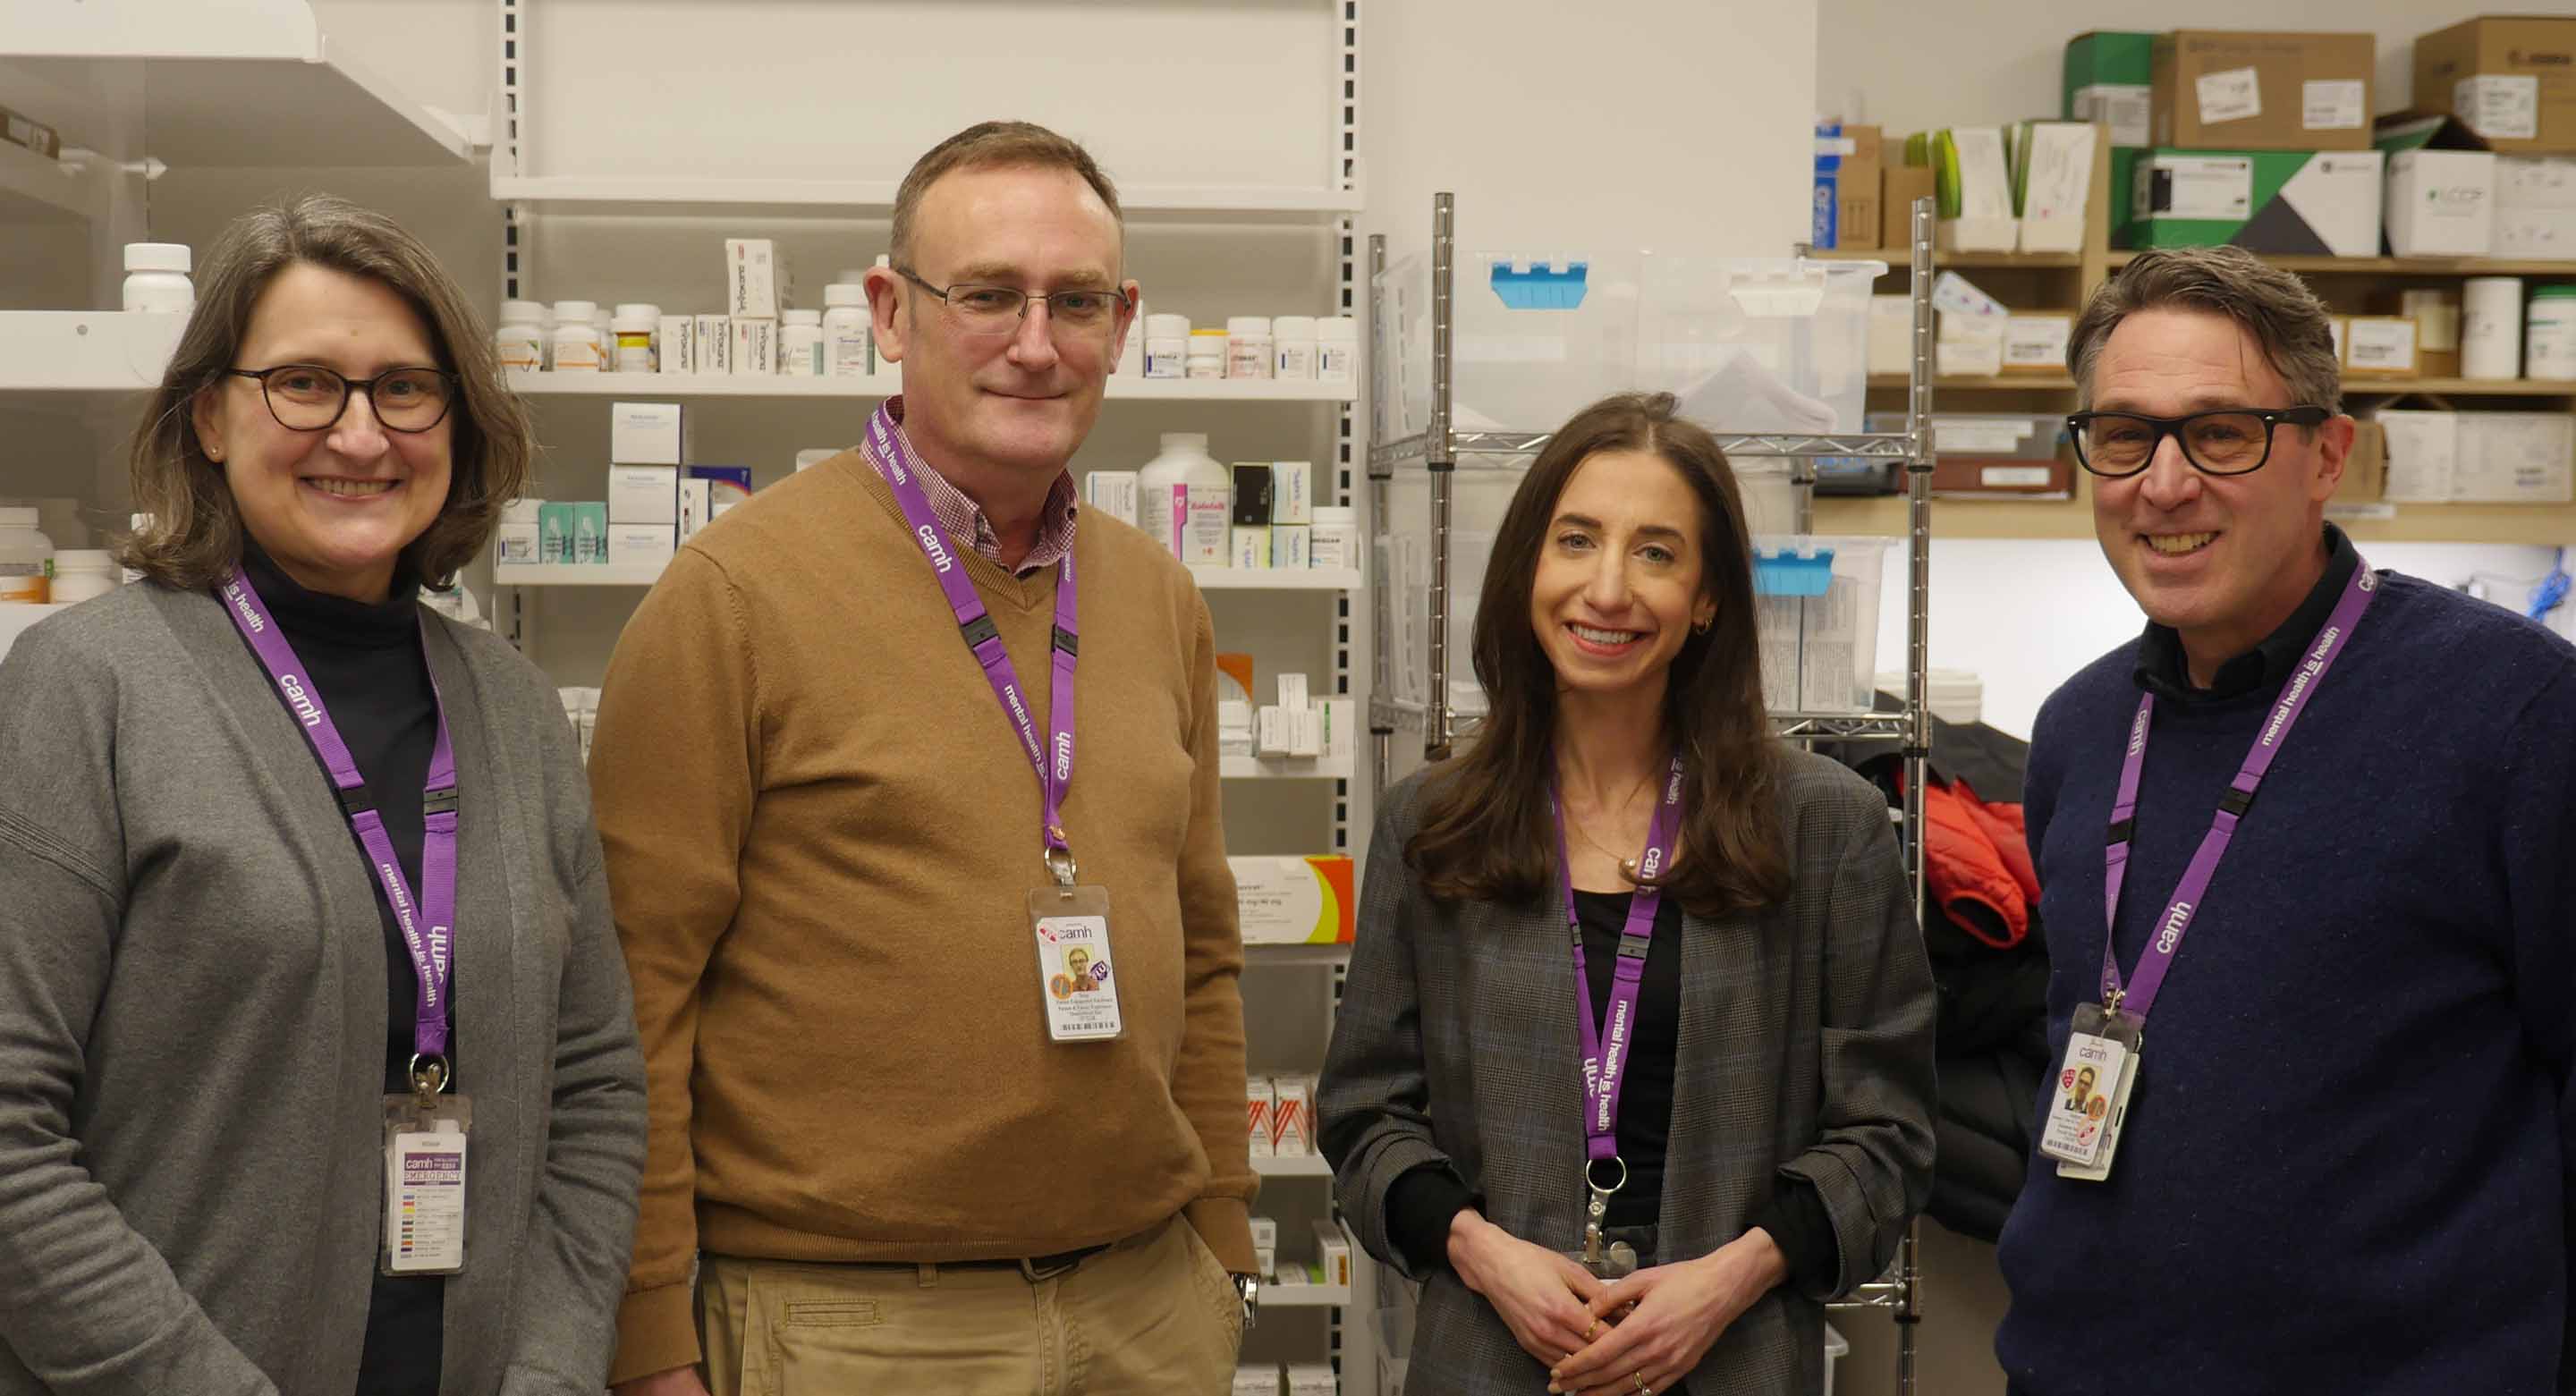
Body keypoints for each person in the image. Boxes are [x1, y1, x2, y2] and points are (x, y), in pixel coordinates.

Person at [595, 121, 1258, 1396]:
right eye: (988, 295)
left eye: (1074, 301)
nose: (1034, 341)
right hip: (850, 1328)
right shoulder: (732, 594)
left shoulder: (1159, 598)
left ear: (1121, 324)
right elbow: (635, 993)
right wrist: (648, 1338)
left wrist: (1220, 1237)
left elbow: (1206, 941)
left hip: (1144, 1313)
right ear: (892, 312)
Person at [0, 194, 647, 1396]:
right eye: (303, 384)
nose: (361, 435)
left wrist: (552, 1371)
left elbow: (596, 1089)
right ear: (209, 416)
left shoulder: (510, 709)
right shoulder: (86, 687)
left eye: (405, 387)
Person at [1995, 246, 2576, 1394]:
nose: (2163, 483)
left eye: (2220, 431)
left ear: (2327, 455)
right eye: (2123, 434)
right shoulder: (2079, 728)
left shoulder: (2515, 714)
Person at [1319, 393, 1936, 1396]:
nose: (1607, 589)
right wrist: (1483, 1253)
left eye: (1656, 553)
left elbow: (1891, 1137)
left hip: (1731, 1358)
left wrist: (1734, 1277)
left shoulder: (1825, 825)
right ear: (1529, 566)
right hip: (1490, 1356)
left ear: (1707, 599)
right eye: (1576, 540)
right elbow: (1362, 1117)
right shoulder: (1433, 821)